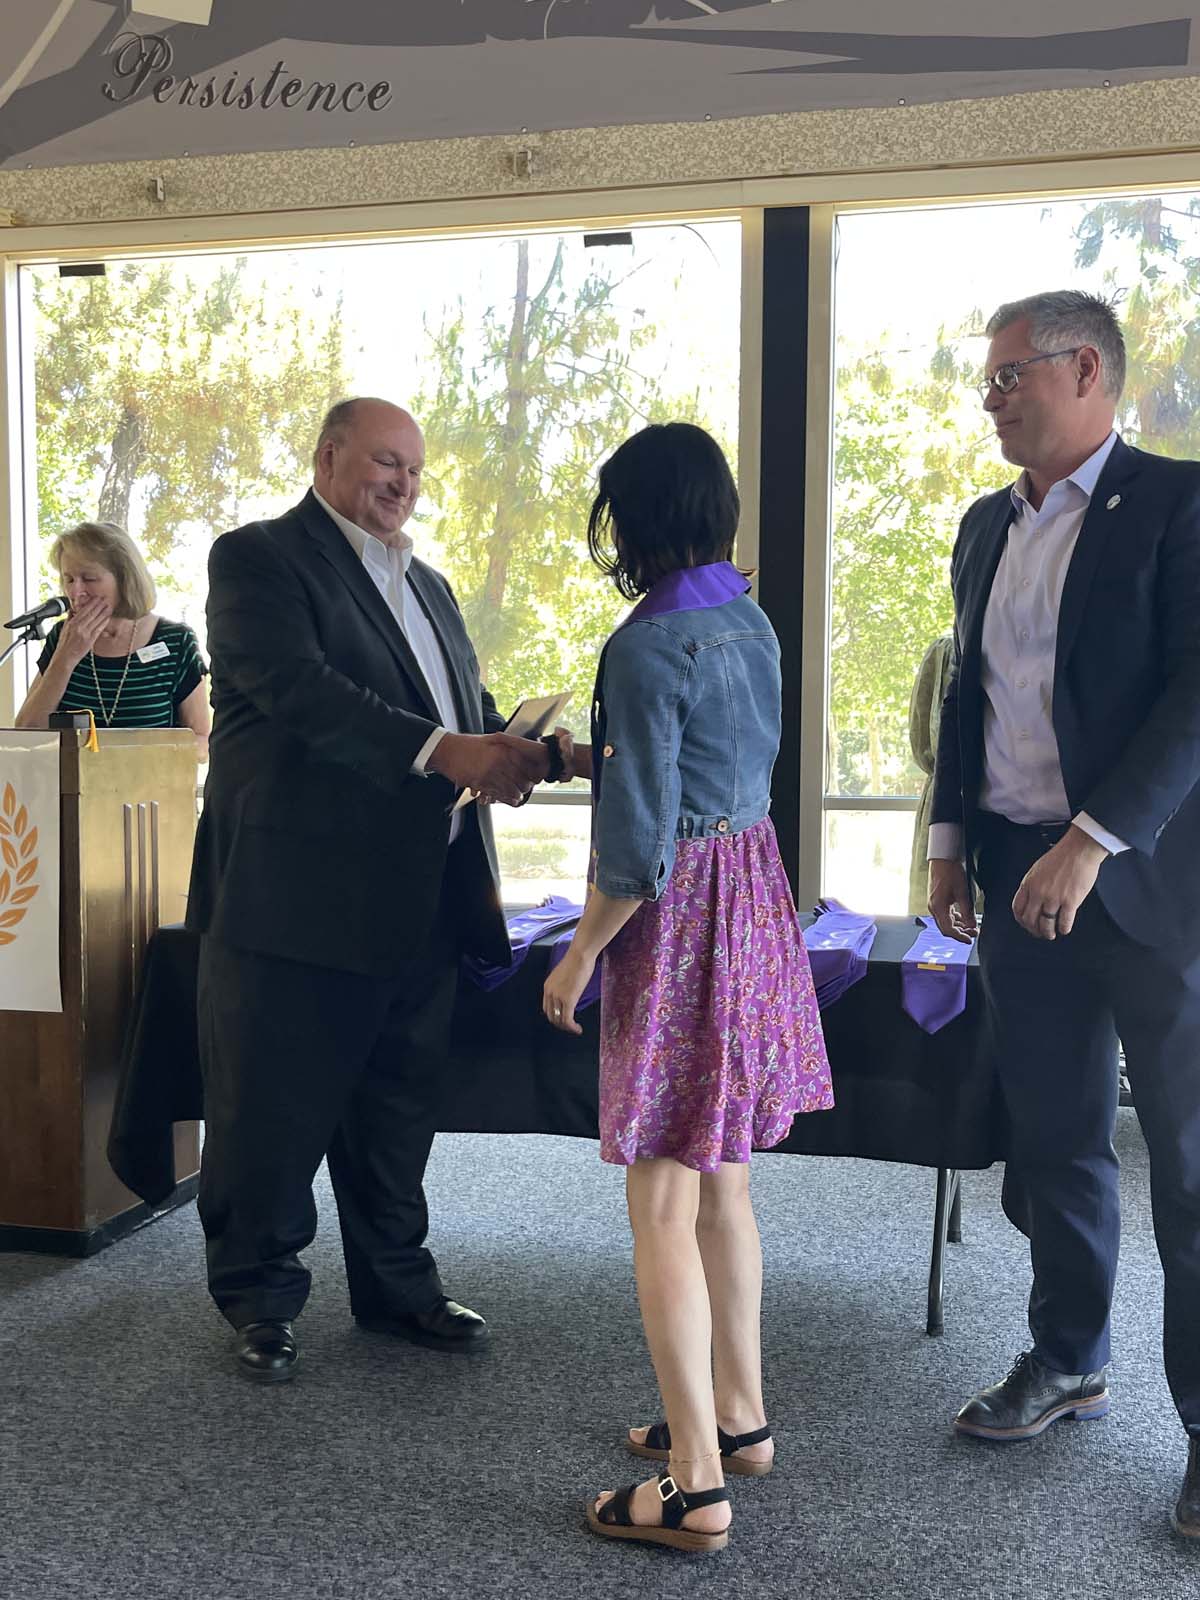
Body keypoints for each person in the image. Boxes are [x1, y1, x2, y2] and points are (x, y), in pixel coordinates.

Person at [186, 397, 550, 1382]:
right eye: (386, 461)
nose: (402, 482)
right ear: (329, 456)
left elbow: (458, 713)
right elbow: (302, 693)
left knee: (398, 1107)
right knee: (273, 1113)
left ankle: (398, 1288)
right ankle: (259, 1298)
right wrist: (450, 747)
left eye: (416, 470)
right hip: (296, 903)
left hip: (418, 896)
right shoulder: (257, 559)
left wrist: (533, 747)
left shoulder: (428, 585)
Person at [927, 290, 1200, 1538]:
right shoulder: (986, 527)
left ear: (1084, 369)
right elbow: (967, 702)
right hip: (1013, 875)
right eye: (988, 382)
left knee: (1188, 1167)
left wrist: (1092, 841)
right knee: (1058, 1143)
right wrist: (945, 848)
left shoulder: (1181, 506)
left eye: (1006, 378)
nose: (991, 400)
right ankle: (1069, 1354)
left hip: (1148, 889)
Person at [543, 422, 833, 1553]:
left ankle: (697, 1484)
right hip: (750, 902)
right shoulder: (746, 616)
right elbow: (715, 778)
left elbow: (636, 856)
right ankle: (738, 1416)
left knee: (660, 1193)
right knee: (724, 1176)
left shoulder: (647, 644)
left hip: (678, 927)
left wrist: (575, 957)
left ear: (637, 519)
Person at [14, 520, 210, 754]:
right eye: (69, 579)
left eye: (89, 579)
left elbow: (202, 740)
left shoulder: (176, 640)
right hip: (72, 789)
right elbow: (27, 732)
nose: (76, 592)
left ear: (125, 579)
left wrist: (147, 753)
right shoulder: (61, 638)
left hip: (151, 785)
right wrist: (66, 657)